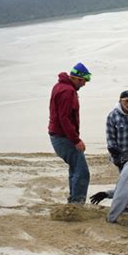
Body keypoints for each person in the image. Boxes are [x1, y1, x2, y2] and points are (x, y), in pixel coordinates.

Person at [48, 62, 92, 204]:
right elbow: (64, 119)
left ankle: (73, 201)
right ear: (78, 78)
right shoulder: (67, 91)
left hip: (58, 136)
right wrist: (76, 140)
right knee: (82, 171)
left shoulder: (59, 86)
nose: (84, 85)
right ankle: (76, 206)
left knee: (75, 169)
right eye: (84, 81)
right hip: (63, 137)